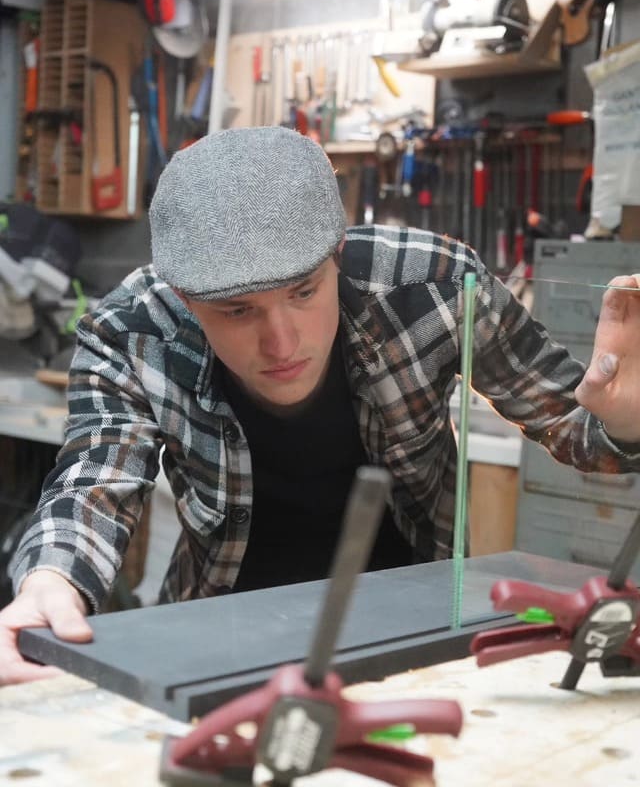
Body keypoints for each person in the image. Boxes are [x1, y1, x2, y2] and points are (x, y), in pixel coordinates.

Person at [1, 126, 639, 686]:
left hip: (415, 621)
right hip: (221, 629)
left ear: (338, 252)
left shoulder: (437, 288)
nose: (282, 343)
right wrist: (49, 583)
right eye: (238, 310)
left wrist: (626, 420)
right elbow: (95, 479)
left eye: (304, 292)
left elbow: (575, 429)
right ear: (184, 297)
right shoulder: (130, 331)